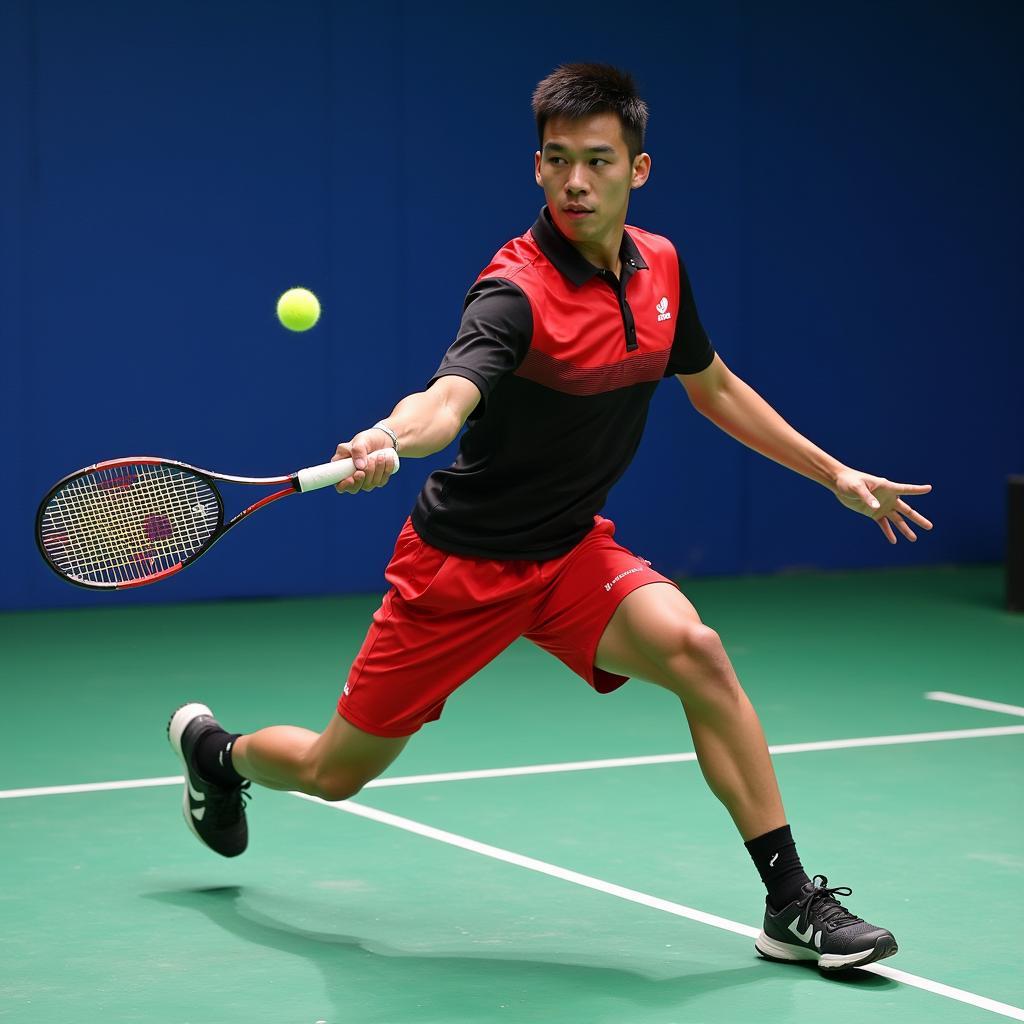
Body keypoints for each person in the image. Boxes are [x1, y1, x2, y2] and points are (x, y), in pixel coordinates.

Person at [168, 63, 932, 971]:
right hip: (462, 568)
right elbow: (448, 399)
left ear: (636, 171)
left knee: (698, 653)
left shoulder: (664, 268)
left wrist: (833, 472)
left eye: (598, 161)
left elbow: (712, 384)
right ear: (537, 167)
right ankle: (219, 754)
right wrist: (385, 434)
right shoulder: (514, 291)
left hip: (569, 556)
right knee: (337, 773)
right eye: (559, 161)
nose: (576, 181)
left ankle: (790, 904)